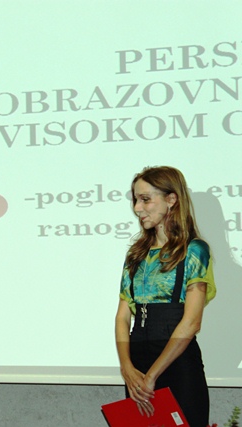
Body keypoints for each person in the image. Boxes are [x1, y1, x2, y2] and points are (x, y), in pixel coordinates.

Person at [115, 166, 216, 426]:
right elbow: (123, 316)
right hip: (138, 363)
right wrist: (127, 368)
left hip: (177, 361)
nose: (137, 208)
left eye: (145, 199)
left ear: (171, 199)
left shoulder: (194, 250)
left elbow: (192, 322)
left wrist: (153, 375)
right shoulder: (136, 254)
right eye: (135, 200)